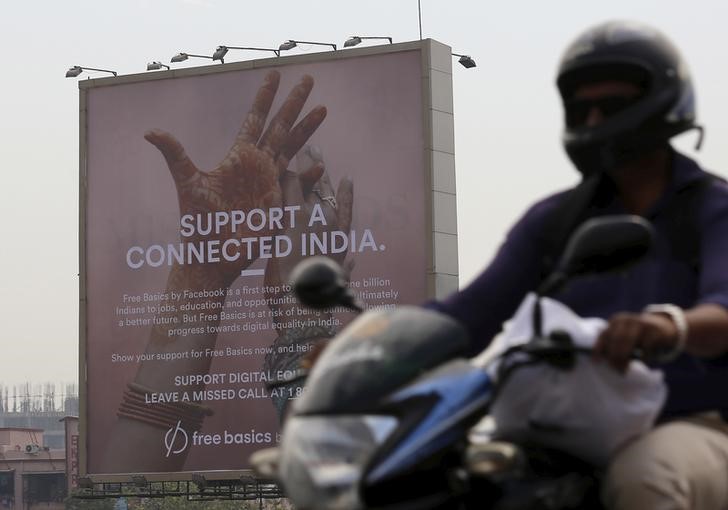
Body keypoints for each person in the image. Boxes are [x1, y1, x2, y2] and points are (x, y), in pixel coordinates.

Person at [429, 20, 728, 510]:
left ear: (663, 101)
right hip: (568, 432)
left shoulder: (712, 208)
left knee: (644, 478)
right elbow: (470, 314)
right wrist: (369, 352)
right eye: (581, 107)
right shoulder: (554, 220)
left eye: (611, 106)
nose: (593, 120)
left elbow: (724, 310)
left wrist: (667, 326)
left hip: (696, 425)